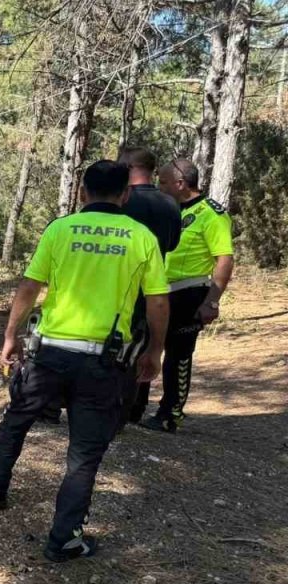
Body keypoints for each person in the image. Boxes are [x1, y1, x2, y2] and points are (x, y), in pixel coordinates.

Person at [0, 160, 169, 563]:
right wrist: (155, 351)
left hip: (50, 354)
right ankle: (64, 537)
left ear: (82, 192)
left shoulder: (60, 230)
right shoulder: (141, 237)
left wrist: (11, 336)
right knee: (84, 453)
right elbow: (158, 301)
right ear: (125, 194)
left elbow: (30, 285)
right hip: (105, 362)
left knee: (17, 419)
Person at [140, 157, 235, 434]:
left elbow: (224, 259)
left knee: (177, 356)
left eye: (164, 182)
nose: (159, 187)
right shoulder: (167, 209)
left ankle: (170, 414)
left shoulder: (211, 214)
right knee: (144, 346)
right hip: (157, 292)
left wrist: (212, 301)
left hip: (189, 292)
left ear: (181, 184)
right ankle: (134, 407)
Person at [116, 147, 182, 425]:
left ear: (130, 166)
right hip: (151, 287)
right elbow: (173, 244)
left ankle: (109, 408)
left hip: (118, 287)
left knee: (114, 347)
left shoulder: (122, 201)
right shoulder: (170, 204)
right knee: (141, 346)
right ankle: (133, 408)